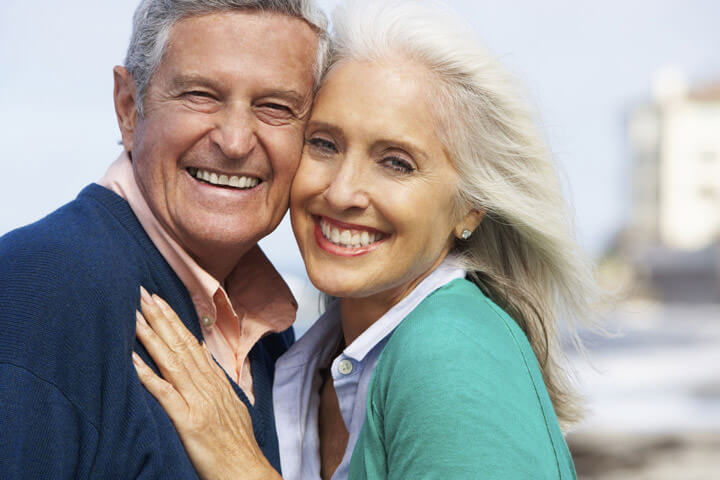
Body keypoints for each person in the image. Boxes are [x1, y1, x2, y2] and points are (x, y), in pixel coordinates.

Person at [133, 0, 599, 479]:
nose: (341, 192)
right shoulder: (310, 360)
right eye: (324, 144)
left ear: (469, 207)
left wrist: (239, 464)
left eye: (396, 162)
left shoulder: (450, 350)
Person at [0, 1, 330, 478]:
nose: (236, 142)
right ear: (129, 108)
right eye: (201, 95)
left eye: (275, 107)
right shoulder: (41, 288)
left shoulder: (269, 337)